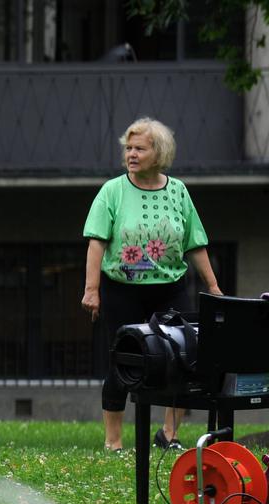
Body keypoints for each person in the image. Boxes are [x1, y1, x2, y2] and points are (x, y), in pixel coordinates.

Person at [81, 117, 221, 452]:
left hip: (170, 286)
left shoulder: (178, 191)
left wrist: (213, 287)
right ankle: (113, 442)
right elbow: (96, 243)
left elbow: (195, 243)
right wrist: (91, 289)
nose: (131, 154)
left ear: (158, 152)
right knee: (122, 362)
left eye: (139, 148)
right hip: (122, 289)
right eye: (128, 148)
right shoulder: (112, 190)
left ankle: (168, 434)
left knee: (182, 358)